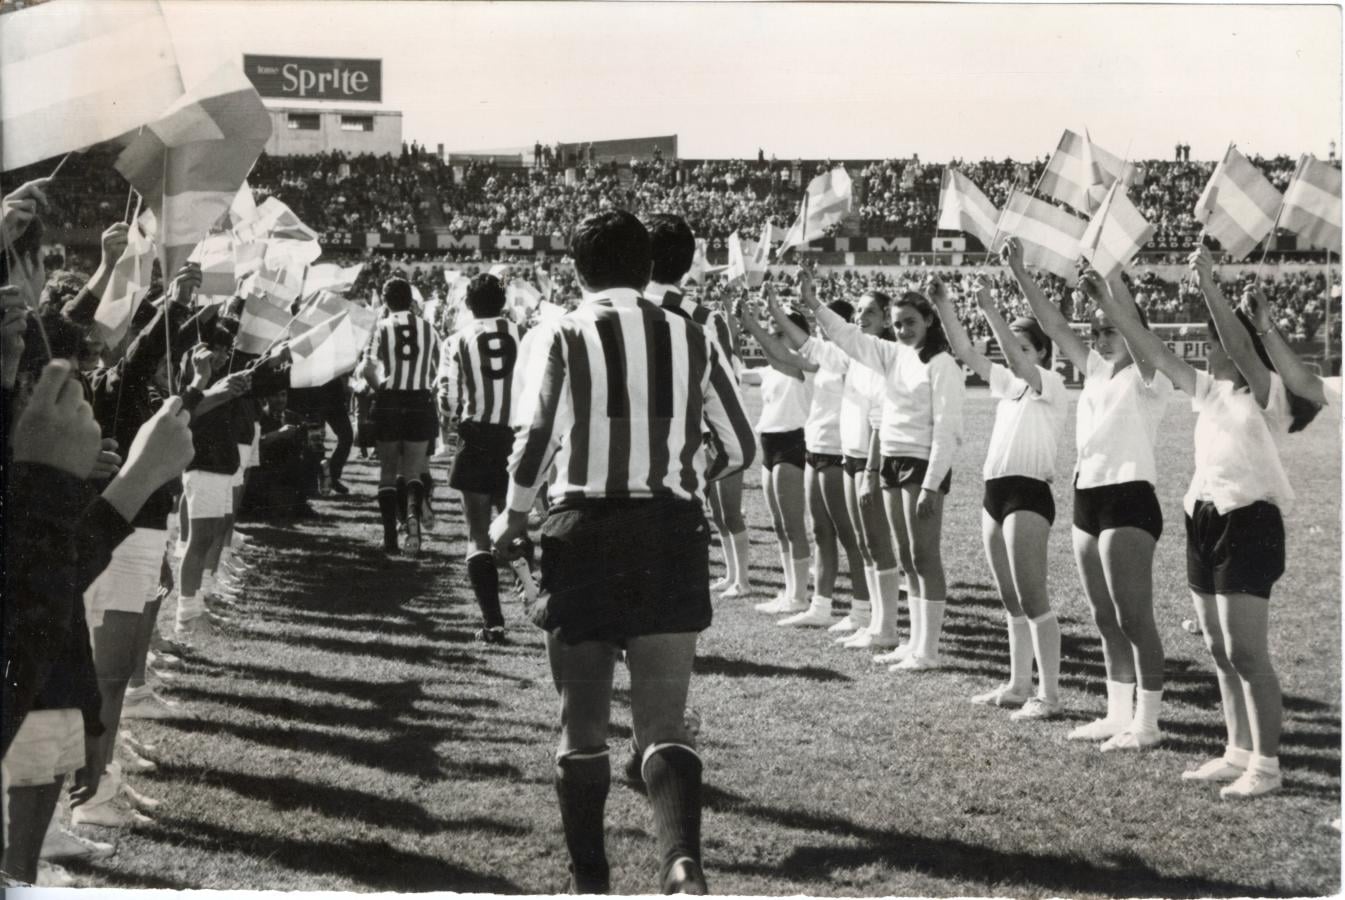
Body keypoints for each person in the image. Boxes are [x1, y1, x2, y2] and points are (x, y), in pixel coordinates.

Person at [490, 210, 754, 894]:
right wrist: (681, 473)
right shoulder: (690, 334)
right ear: (648, 269)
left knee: (582, 723)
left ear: (578, 272)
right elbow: (740, 445)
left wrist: (512, 517)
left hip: (584, 527)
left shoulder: (567, 329)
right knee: (663, 722)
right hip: (669, 528)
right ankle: (680, 863)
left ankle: (591, 881)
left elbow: (537, 437)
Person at [1091, 248, 1313, 797]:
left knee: (1246, 652)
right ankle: (1236, 752)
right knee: (1217, 648)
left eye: (1216, 339)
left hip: (1249, 520)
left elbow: (1238, 341)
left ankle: (1266, 765)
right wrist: (1112, 306)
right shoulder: (1207, 392)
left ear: (1240, 351)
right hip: (1204, 517)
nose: (1208, 345)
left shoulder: (1265, 395)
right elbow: (1155, 351)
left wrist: (1210, 282)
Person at [1009, 236, 1170, 750]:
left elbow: (1130, 327)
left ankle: (1147, 722)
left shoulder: (1151, 376)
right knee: (1104, 616)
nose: (1100, 337)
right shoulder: (1097, 369)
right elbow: (1054, 324)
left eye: (1110, 329)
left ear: (1132, 329)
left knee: (1133, 617)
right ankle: (1117, 713)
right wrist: (1019, 271)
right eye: (1096, 331)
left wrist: (1109, 294)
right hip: (1088, 498)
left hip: (1128, 498)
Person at [803, 270, 965, 671]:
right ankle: (912, 642)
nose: (903, 329)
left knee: (925, 556)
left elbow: (947, 428)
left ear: (929, 320)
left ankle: (928, 650)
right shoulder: (893, 355)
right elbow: (848, 338)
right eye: (897, 324)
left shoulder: (942, 363)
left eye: (911, 321)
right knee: (907, 556)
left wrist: (930, 485)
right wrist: (814, 304)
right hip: (891, 461)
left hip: (920, 465)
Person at [932, 275, 1067, 720]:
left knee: (1032, 597)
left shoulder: (1050, 383)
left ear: (1044, 353)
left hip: (1029, 491)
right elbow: (967, 352)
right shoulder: (1009, 388)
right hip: (995, 491)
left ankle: (1048, 694)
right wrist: (944, 304)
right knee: (1010, 597)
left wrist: (991, 310)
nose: (1017, 356)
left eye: (1026, 348)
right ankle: (1018, 684)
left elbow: (1009, 357)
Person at [774, 289, 900, 647]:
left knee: (874, 543)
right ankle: (872, 620)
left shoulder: (883, 356)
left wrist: (872, 471)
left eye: (870, 312)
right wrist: (775, 312)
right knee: (863, 541)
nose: (862, 317)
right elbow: (811, 346)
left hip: (869, 459)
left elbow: (879, 418)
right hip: (850, 455)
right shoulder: (853, 358)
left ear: (886, 319)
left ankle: (880, 623)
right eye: (859, 311)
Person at [644, 214, 752, 600]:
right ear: (689, 264)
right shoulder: (707, 320)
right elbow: (730, 417)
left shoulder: (602, 315)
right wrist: (703, 475)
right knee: (671, 607)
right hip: (681, 473)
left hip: (612, 482)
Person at [760, 291, 872, 628]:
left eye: (827, 325)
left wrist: (783, 312)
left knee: (848, 534)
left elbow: (793, 351)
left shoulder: (852, 358)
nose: (820, 332)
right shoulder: (824, 358)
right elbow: (784, 354)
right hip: (815, 449)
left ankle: (862, 609)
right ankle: (821, 607)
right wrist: (766, 315)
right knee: (821, 531)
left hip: (840, 453)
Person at [444, 273, 521, 643]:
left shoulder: (458, 338)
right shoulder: (524, 332)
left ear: (468, 304)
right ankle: (530, 589)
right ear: (503, 301)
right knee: (516, 521)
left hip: (476, 436)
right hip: (516, 437)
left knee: (477, 534)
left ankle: (493, 622)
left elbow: (449, 398)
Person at [734, 292, 814, 617]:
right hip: (769, 444)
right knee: (779, 524)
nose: (773, 339)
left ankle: (800, 596)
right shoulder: (771, 371)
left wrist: (753, 325)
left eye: (779, 333)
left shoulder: (803, 368)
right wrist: (734, 324)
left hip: (793, 442)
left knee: (793, 524)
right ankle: (791, 591)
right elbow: (735, 369)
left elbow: (781, 356)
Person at [360, 278, 441, 558]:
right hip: (420, 399)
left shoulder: (380, 327)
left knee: (388, 471)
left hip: (390, 401)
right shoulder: (429, 328)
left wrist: (380, 386)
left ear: (385, 301)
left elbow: (367, 368)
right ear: (411, 300)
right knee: (414, 471)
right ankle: (413, 522)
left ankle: (390, 538)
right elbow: (439, 370)